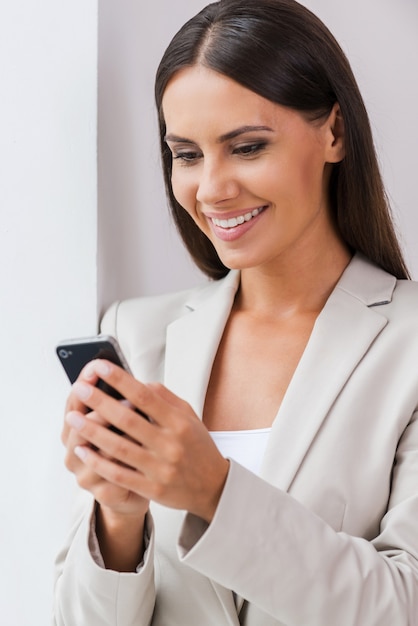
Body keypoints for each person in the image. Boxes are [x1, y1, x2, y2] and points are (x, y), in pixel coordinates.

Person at [53, 1, 418, 624]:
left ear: (334, 133)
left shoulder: (406, 344)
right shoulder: (135, 337)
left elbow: (402, 605)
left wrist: (213, 492)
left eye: (246, 147)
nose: (212, 188)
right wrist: (118, 517)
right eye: (187, 154)